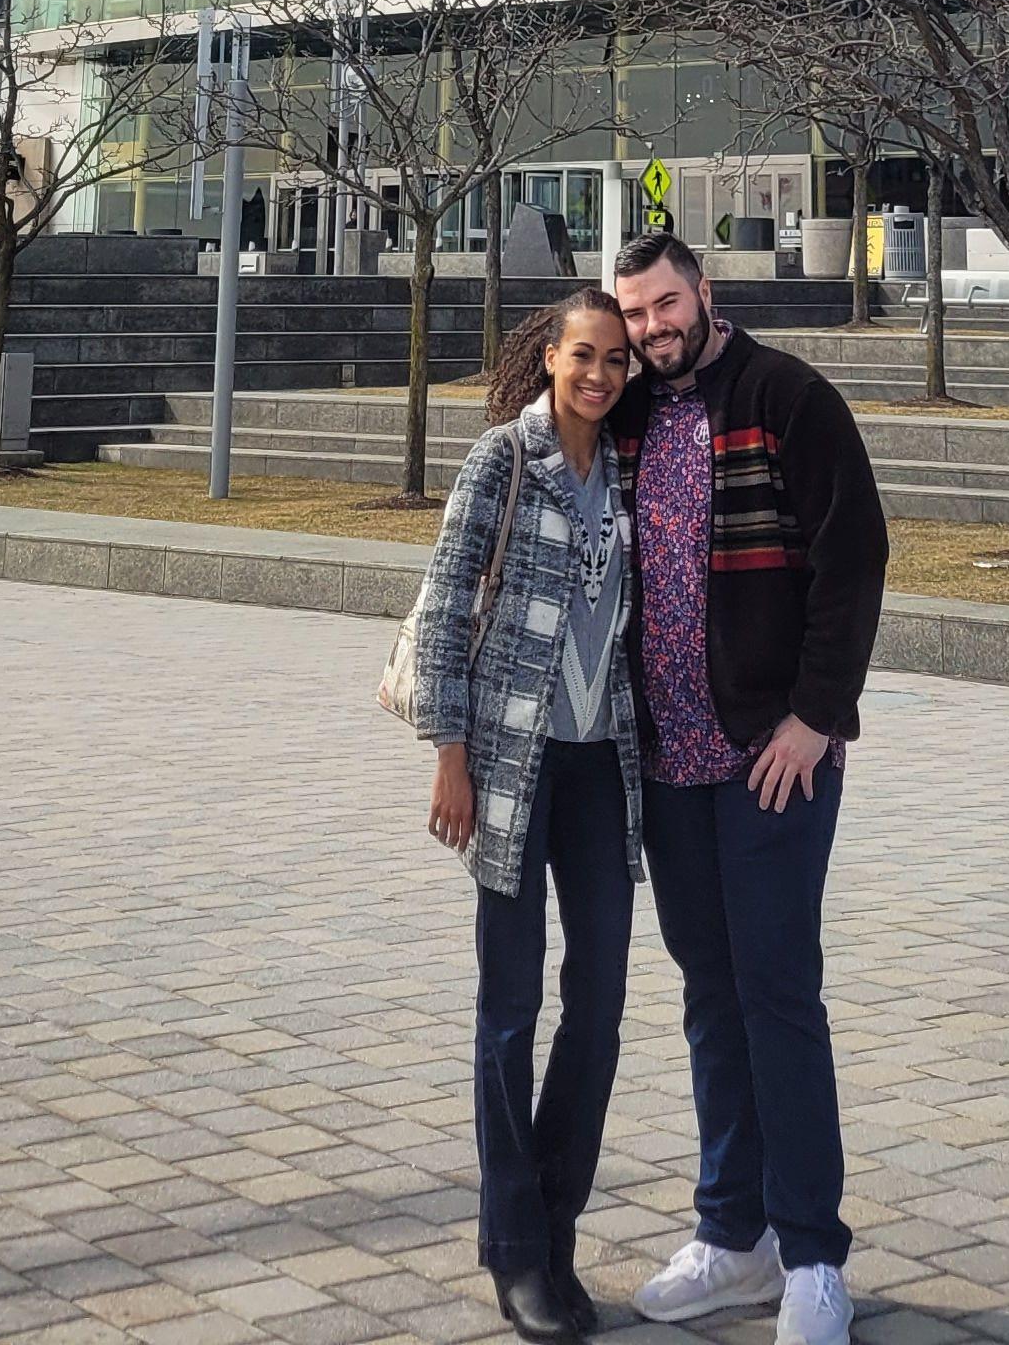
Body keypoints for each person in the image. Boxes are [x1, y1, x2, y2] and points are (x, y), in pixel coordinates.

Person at [607, 228, 887, 1345]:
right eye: (632, 314)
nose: (651, 330)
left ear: (705, 294)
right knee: (710, 999)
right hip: (671, 763)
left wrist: (816, 718)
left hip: (774, 761)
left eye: (665, 305)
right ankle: (733, 1238)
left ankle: (814, 1255)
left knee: (778, 995)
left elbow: (853, 555)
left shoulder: (787, 396)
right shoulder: (629, 413)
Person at [411, 286, 650, 1339]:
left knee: (596, 1007)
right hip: (509, 764)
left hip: (604, 769)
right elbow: (443, 602)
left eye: (614, 360)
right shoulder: (502, 461)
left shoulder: (631, 462)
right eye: (582, 355)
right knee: (508, 1013)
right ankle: (514, 1253)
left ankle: (555, 1229)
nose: (598, 374)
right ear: (548, 357)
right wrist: (450, 755)